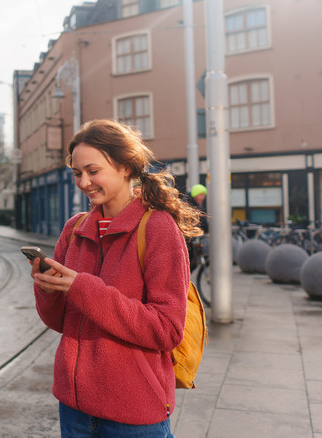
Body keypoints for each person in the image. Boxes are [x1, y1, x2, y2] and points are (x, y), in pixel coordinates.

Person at [29, 119, 203, 437]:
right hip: (75, 407)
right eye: (77, 173)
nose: (83, 182)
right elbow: (60, 322)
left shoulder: (158, 228)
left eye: (93, 171)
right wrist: (49, 290)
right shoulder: (74, 229)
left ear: (125, 167)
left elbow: (166, 330)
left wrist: (82, 288)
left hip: (133, 412)